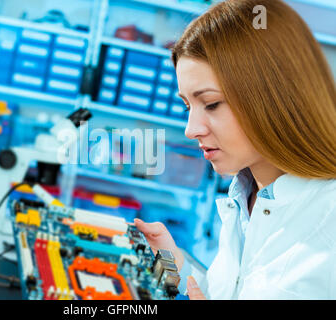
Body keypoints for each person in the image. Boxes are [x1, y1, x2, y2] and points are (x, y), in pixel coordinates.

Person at [135, 0, 336, 299]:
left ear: (273, 96)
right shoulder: (244, 196)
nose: (191, 129)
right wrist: (172, 264)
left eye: (212, 103)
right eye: (188, 106)